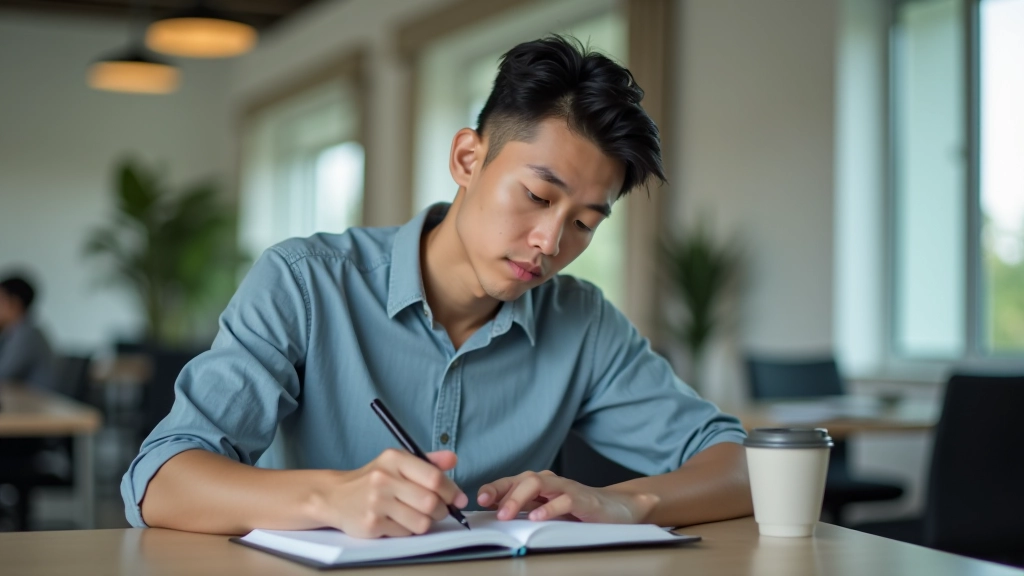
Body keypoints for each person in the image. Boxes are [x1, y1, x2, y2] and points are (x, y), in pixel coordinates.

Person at [122, 36, 753, 537]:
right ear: (467, 160)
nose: (550, 242)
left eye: (585, 223)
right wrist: (329, 497)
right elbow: (159, 480)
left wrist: (626, 503)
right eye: (536, 197)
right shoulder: (306, 282)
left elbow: (743, 465)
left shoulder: (580, 320)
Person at [0, 275, 54, 390]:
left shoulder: (26, 335)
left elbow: (4, 374)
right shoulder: (17, 333)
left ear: (14, 303)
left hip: (37, 404)